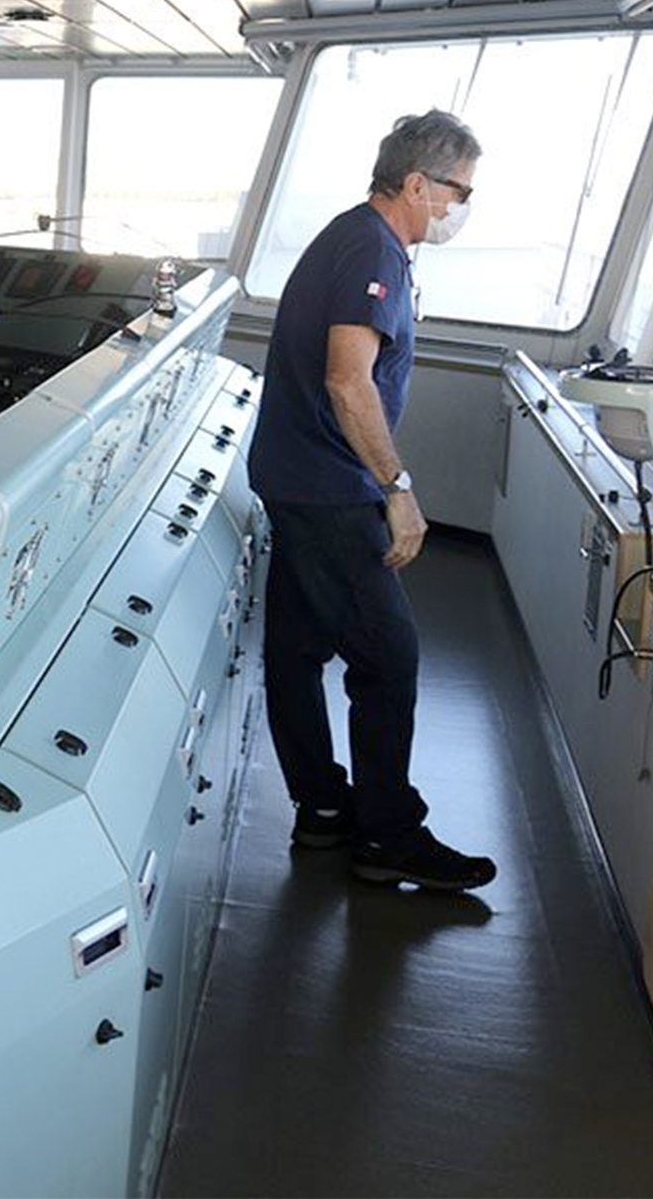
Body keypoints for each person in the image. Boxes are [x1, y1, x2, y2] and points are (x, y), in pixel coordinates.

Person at [247, 107, 495, 893]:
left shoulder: (357, 236)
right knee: (389, 660)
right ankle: (388, 834)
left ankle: (323, 809)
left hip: (297, 477)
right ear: (418, 184)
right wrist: (399, 491)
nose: (460, 208)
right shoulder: (369, 249)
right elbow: (348, 378)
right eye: (458, 192)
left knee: (296, 650)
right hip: (330, 489)